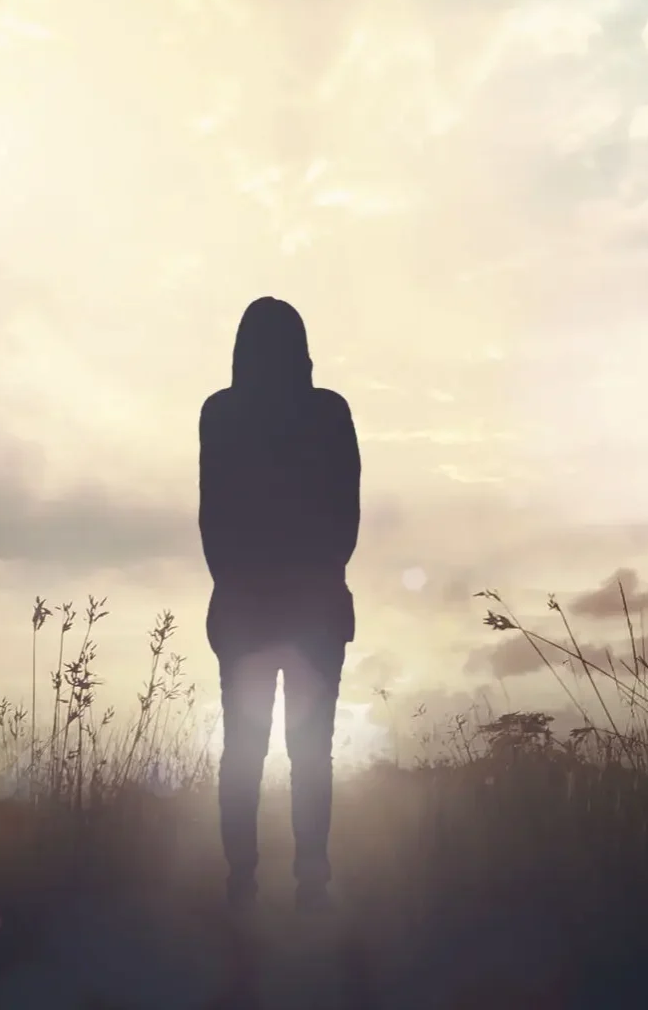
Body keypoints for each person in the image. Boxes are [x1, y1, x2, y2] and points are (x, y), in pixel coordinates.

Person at [198, 296, 361, 913]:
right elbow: (346, 515)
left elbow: (213, 517)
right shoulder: (328, 412)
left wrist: (239, 586)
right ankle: (309, 884)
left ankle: (243, 885)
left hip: (246, 610)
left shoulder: (222, 413)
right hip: (312, 606)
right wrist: (317, 576)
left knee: (245, 751)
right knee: (308, 752)